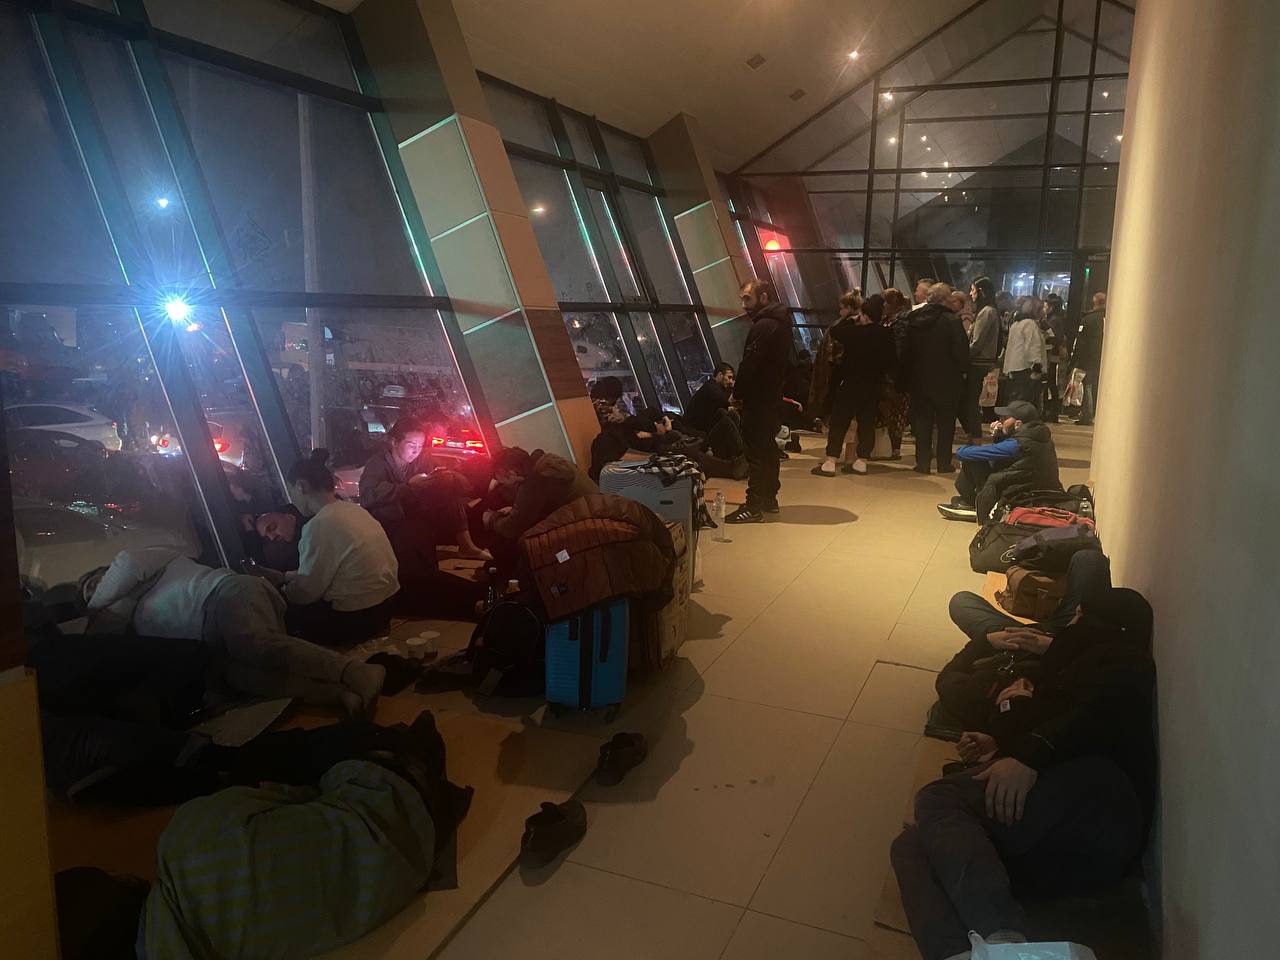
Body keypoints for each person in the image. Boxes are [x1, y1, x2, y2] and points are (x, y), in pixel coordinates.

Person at [891, 586, 1154, 960]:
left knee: (938, 797)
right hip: (1055, 827)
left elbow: (1088, 720)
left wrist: (1027, 756)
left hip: (1094, 814)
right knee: (910, 845)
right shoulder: (1072, 667)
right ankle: (959, 954)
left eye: (1079, 617)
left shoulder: (1124, 665)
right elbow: (1050, 723)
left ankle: (1002, 939)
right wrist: (1002, 742)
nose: (1071, 625)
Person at [140, 720, 473, 959]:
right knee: (270, 755)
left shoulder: (229, 948)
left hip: (413, 855)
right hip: (389, 785)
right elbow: (295, 794)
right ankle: (406, 743)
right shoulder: (187, 840)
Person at [82, 548, 385, 719]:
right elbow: (103, 641)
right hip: (208, 637)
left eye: (95, 582)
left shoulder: (149, 564)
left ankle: (354, 671)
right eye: (88, 593)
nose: (96, 590)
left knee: (256, 646)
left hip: (223, 594)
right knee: (247, 678)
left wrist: (94, 606)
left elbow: (127, 564)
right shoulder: (128, 615)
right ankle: (338, 695)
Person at [259, 450, 400, 645]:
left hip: (356, 618)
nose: (292, 501)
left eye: (290, 492)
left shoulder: (320, 525)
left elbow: (306, 592)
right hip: (386, 606)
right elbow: (333, 569)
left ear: (300, 486)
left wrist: (280, 591)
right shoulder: (355, 511)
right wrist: (285, 576)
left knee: (273, 615)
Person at [944, 550, 1111, 667]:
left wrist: (986, 642)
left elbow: (950, 677)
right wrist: (1056, 646)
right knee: (1089, 560)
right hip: (1073, 646)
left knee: (960, 601)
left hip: (1024, 650)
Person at [359, 417, 491, 562]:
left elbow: (434, 477)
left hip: (415, 509)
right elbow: (369, 495)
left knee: (447, 485)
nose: (416, 451)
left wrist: (447, 477)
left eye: (420, 446)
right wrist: (409, 487)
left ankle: (466, 546)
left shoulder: (421, 459)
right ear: (395, 442)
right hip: (390, 519)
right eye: (411, 445)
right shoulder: (378, 464)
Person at [726, 279, 794, 523]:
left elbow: (749, 365)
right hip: (771, 397)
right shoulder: (782, 324)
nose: (744, 305)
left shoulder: (763, 326)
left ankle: (753, 504)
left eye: (748, 298)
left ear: (763, 297)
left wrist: (737, 394)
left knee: (755, 452)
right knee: (768, 449)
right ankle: (768, 498)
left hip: (758, 400)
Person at [937, 399, 1061, 522]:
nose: (1000, 421)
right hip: (1033, 489)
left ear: (1018, 424)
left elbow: (963, 453)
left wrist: (965, 449)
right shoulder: (1037, 435)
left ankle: (972, 504)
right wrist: (999, 435)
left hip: (1023, 494)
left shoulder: (1018, 444)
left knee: (974, 460)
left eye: (1005, 418)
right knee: (983, 459)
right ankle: (972, 501)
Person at [813, 293, 895, 476]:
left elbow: (836, 331)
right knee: (866, 422)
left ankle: (831, 460)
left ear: (864, 315)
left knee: (840, 421)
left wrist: (851, 319)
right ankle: (861, 461)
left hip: (851, 383)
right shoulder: (887, 334)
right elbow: (892, 361)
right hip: (874, 385)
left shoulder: (855, 332)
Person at [481, 445, 597, 564]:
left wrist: (492, 518)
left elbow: (512, 527)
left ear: (511, 474)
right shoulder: (548, 462)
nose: (501, 484)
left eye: (500, 479)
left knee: (512, 547)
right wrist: (515, 510)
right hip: (596, 514)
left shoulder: (535, 481)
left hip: (584, 531)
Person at [899, 282, 969, 475]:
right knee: (946, 423)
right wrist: (963, 371)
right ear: (945, 299)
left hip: (920, 377)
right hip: (947, 379)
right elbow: (961, 350)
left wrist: (905, 376)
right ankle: (943, 463)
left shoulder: (914, 319)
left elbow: (906, 351)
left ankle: (922, 463)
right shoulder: (952, 320)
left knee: (922, 421)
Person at [964, 277, 1001, 442]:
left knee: (971, 401)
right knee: (971, 400)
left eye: (973, 290)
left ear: (981, 292)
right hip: (982, 360)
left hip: (978, 361)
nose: (970, 294)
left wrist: (963, 354)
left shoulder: (986, 312)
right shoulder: (990, 310)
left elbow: (977, 342)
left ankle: (974, 434)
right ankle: (974, 433)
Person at [877, 287, 912, 460]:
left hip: (898, 374)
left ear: (891, 304)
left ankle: (895, 446)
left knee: (897, 410)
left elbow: (900, 348)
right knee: (888, 409)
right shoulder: (887, 320)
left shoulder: (902, 321)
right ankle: (887, 445)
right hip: (889, 372)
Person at [1002, 296, 1047, 407]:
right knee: (1025, 403)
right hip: (1026, 369)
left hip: (1013, 368)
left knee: (1014, 401)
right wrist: (1037, 367)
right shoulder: (1030, 324)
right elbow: (1033, 346)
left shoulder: (1015, 324)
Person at [1070, 291, 1106, 425]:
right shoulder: (1112, 317)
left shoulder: (1088, 319)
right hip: (1105, 358)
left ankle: (1087, 414)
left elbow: (1081, 341)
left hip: (1089, 358)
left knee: (1088, 385)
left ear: (1094, 302)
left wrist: (1075, 359)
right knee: (1099, 386)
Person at [1040, 294, 1070, 423]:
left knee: (1050, 383)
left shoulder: (1053, 321)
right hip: (1054, 355)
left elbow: (1054, 338)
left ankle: (1050, 412)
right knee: (1052, 384)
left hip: (1051, 355)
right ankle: (1052, 412)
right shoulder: (1058, 319)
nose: (1043, 309)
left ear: (1051, 307)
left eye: (1045, 306)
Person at [685, 362, 735, 434]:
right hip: (696, 429)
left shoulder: (717, 387)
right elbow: (726, 401)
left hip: (703, 426)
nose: (730, 381)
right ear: (720, 375)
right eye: (729, 377)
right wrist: (733, 388)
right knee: (728, 414)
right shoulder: (710, 387)